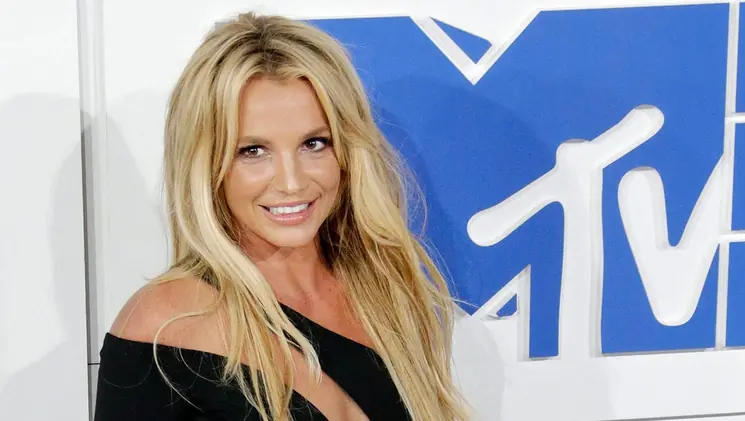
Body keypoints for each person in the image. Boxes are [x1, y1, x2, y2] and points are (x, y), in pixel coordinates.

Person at [93, 11, 472, 421]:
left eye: (314, 143)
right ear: (206, 163)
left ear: (346, 150)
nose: (291, 183)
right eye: (253, 151)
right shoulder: (163, 325)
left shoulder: (386, 291)